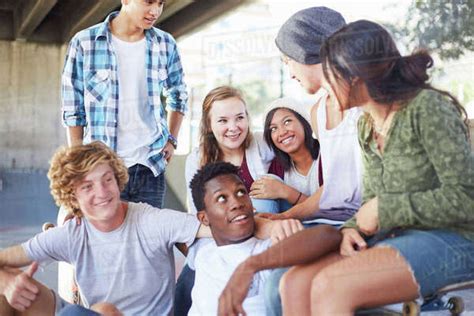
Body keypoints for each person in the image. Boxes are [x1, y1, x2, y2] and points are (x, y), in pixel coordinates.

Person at [276, 20, 474, 315]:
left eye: (329, 76)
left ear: (354, 77)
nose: (325, 88)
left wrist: (386, 209)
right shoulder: (366, 125)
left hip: (457, 240)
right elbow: (369, 203)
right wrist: (351, 230)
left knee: (331, 285)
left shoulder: (426, 108)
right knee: (294, 282)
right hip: (400, 237)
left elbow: (466, 198)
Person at [0, 142, 295, 315]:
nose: (101, 192)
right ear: (72, 196)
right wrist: (7, 282)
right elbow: (4, 259)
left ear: (118, 181)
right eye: (87, 186)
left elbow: (221, 224)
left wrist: (272, 228)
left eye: (107, 180)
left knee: (102, 310)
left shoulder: (151, 221)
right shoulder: (71, 233)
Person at [259, 7, 363, 315]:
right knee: (277, 287)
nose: (289, 72)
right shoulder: (318, 112)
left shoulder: (364, 106)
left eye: (288, 60)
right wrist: (282, 217)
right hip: (325, 223)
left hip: (359, 226)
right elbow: (330, 191)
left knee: (283, 286)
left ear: (307, 52)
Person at [61, 0, 187, 208]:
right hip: (101, 167)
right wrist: (78, 163)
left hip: (149, 165)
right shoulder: (85, 42)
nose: (154, 11)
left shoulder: (165, 44)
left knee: (149, 240)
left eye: (160, 3)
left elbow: (179, 95)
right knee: (104, 238)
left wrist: (172, 140)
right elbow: (73, 107)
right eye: (148, 2)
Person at [175, 86, 284, 315]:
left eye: (239, 118)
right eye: (223, 120)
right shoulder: (197, 159)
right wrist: (257, 224)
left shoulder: (263, 147)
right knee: (186, 291)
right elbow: (200, 219)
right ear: (209, 125)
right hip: (217, 244)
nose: (233, 128)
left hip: (260, 245)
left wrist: (280, 191)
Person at [187, 162, 307, 315]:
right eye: (222, 198)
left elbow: (328, 236)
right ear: (204, 218)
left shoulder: (270, 247)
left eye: (241, 192)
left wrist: (251, 264)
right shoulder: (204, 255)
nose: (236, 203)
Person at [250, 97, 320, 211]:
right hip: (293, 225)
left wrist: (286, 192)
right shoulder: (278, 167)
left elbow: (333, 210)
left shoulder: (326, 157)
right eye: (273, 129)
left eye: (287, 122)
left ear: (304, 122)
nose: (282, 132)